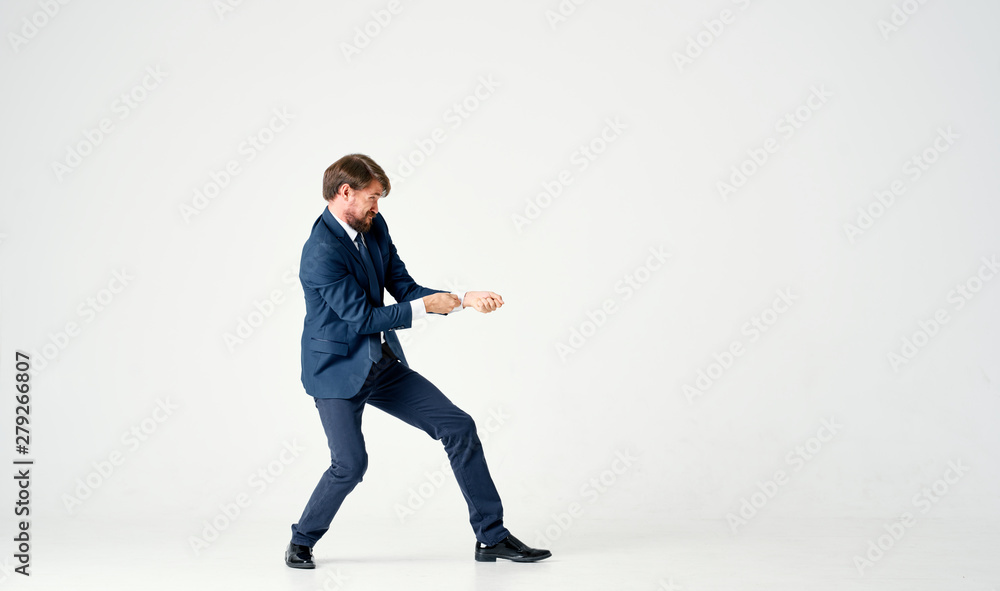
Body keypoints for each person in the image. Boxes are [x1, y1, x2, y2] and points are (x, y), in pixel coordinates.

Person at [285, 154, 551, 568]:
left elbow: (403, 286)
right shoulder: (319, 252)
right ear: (345, 193)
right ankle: (301, 540)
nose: (378, 207)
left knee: (458, 426)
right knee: (350, 466)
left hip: (380, 362)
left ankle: (491, 537)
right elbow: (362, 318)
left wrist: (462, 299)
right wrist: (426, 307)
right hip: (335, 372)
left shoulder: (372, 227)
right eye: (373, 197)